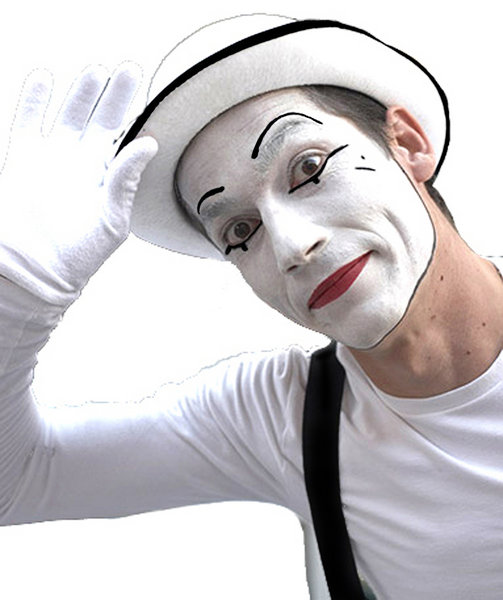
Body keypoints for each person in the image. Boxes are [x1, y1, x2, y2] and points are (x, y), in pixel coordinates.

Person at [1, 14, 502, 599]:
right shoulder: (282, 417)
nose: (291, 246)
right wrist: (18, 294)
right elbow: (16, 480)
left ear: (408, 146)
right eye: (241, 230)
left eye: (308, 169)